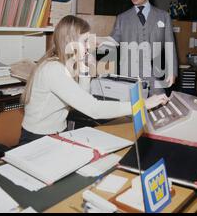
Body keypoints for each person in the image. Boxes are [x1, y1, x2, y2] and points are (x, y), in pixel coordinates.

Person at [19, 15, 169, 145]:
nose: (88, 47)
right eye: (85, 41)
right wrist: (141, 105)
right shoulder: (54, 69)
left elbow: (82, 97)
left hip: (57, 133)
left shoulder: (64, 64)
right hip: (37, 138)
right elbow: (92, 108)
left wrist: (85, 69)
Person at [111, 0, 178, 96]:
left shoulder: (163, 16)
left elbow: (170, 46)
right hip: (129, 76)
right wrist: (97, 42)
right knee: (131, 112)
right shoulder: (122, 18)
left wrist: (172, 71)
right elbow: (112, 41)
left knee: (159, 109)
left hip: (155, 75)